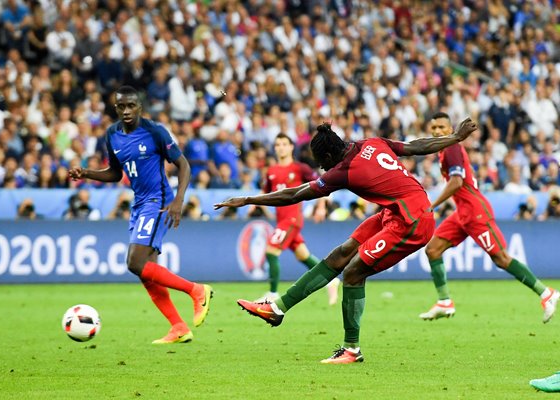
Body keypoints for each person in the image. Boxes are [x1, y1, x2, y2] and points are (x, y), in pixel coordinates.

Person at [214, 118, 478, 364]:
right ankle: (277, 308)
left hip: (413, 221)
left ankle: (351, 348)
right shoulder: (371, 143)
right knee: (341, 254)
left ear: (329, 156)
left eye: (321, 161)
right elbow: (416, 146)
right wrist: (455, 136)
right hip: (395, 211)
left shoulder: (342, 171)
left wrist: (249, 199)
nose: (320, 167)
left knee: (352, 273)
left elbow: (295, 195)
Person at [68, 85, 213, 344]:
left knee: (134, 262)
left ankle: (197, 290)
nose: (126, 111)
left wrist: (179, 200)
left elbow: (184, 165)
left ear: (139, 107)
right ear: (116, 108)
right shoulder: (112, 134)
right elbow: (115, 172)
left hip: (158, 202)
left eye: (131, 106)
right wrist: (87, 173)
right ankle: (178, 327)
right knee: (146, 270)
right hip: (140, 203)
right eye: (121, 106)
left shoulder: (154, 132)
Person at [419, 112, 558, 323]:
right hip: (462, 213)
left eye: (441, 127)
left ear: (450, 129)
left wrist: (432, 206)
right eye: (434, 127)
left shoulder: (452, 148)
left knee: (501, 258)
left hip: (476, 212)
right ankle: (444, 301)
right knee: (433, 249)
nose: (437, 131)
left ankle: (545, 293)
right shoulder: (443, 150)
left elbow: (457, 182)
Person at [255, 133, 338, 305]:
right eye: (277, 144)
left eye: (284, 144)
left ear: (291, 147)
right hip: (281, 220)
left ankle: (272, 294)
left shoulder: (300, 168)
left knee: (271, 251)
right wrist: (257, 205)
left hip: (292, 219)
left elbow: (322, 184)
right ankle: (331, 280)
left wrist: (321, 207)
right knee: (303, 255)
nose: (281, 147)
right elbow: (266, 194)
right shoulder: (271, 171)